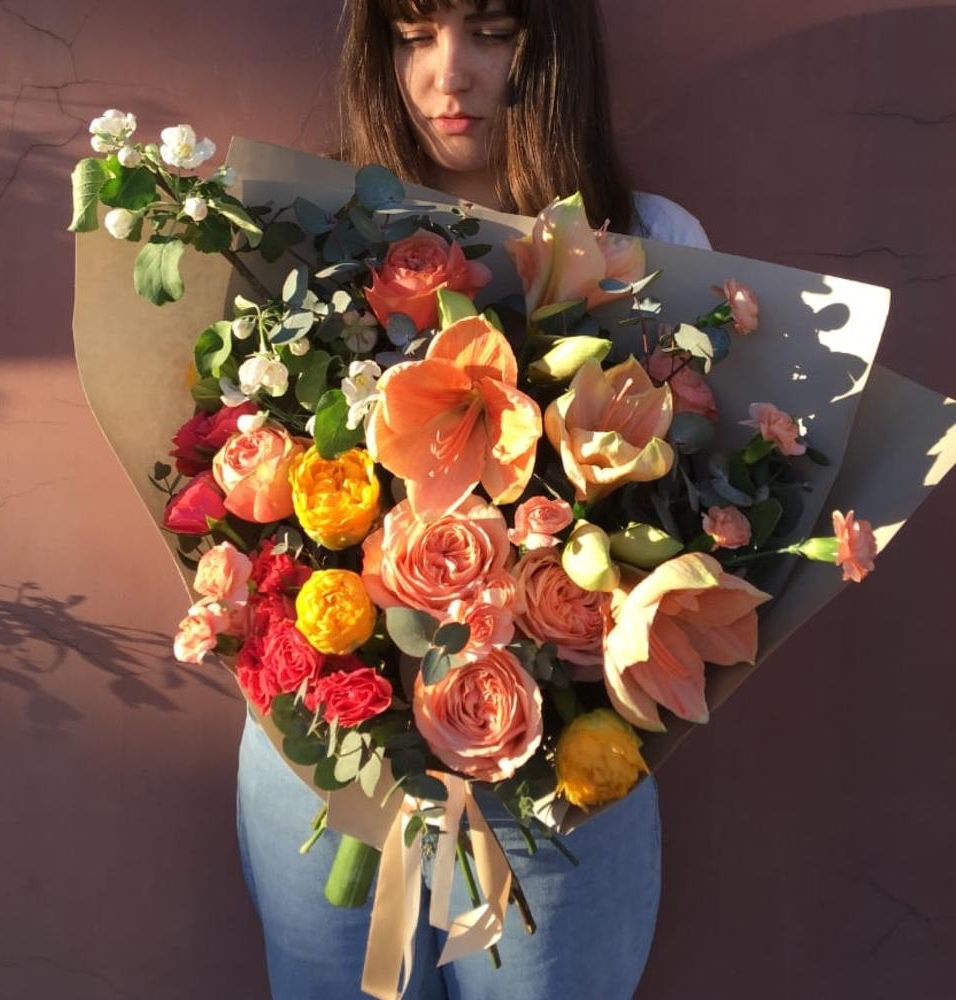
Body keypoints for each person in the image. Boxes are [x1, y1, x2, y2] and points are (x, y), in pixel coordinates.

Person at [236, 2, 711, 998]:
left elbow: (695, 510)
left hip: (559, 783)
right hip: (328, 757)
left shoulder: (650, 241)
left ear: (552, 43)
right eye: (412, 35)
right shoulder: (308, 228)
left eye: (492, 30)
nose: (447, 74)